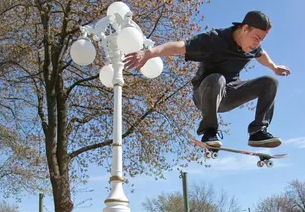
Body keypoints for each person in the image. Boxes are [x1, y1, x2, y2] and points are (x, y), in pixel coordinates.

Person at [123, 10, 291, 148]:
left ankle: (257, 133)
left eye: (261, 40)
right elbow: (179, 46)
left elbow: (261, 55)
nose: (257, 44)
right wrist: (149, 53)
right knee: (218, 79)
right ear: (245, 28)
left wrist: (274, 67)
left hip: (230, 94)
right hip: (204, 94)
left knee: (270, 83)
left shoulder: (253, 47)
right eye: (256, 38)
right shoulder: (213, 40)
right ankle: (209, 132)